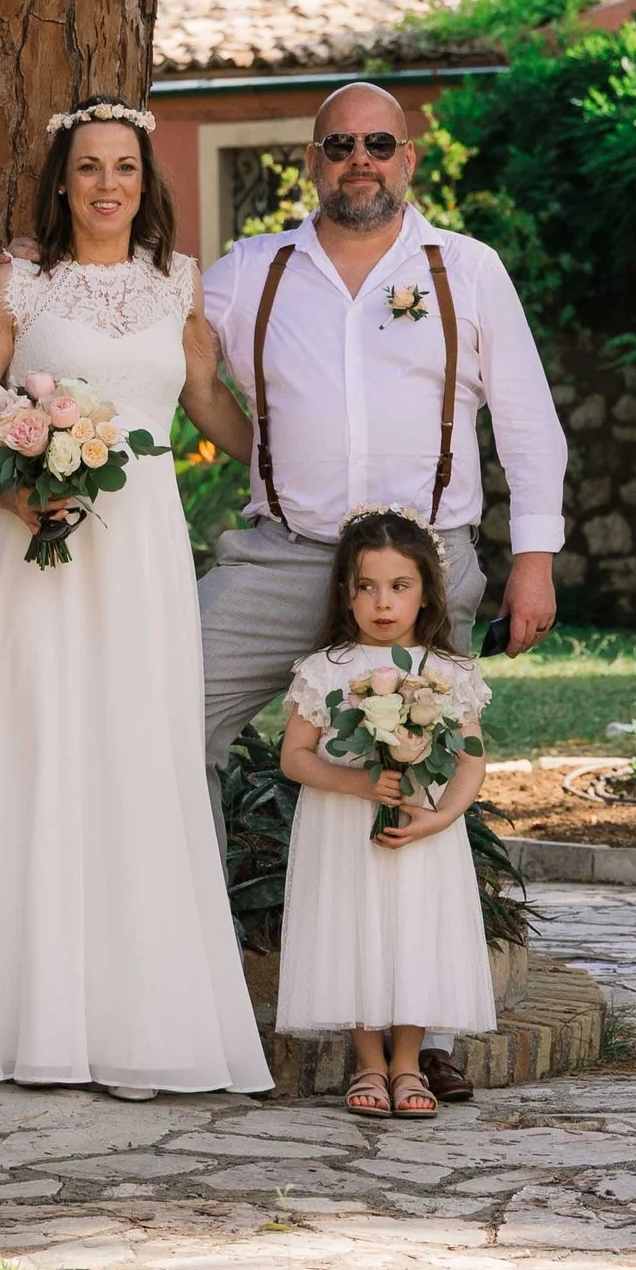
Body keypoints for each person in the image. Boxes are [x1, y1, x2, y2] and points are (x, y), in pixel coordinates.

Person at [201, 77, 567, 1095]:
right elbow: (163, 350)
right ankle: (181, 964)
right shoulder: (248, 272)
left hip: (424, 566)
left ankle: (427, 1025)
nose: (359, 159)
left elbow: (527, 421)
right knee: (167, 709)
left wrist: (532, 556)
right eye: (338, 145)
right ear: (309, 162)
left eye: (379, 143)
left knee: (427, 768)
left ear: (407, 159)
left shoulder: (466, 269)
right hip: (281, 552)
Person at [0, 99, 271, 1098]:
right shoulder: (16, 286)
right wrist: (16, 487)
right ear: (62, 182)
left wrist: (288, 472)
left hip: (143, 541)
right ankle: (31, 1023)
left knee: (136, 756)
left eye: (123, 167)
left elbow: (204, 402)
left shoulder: (178, 285)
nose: (107, 184)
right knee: (38, 756)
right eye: (88, 168)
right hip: (35, 543)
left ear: (144, 184)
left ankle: (138, 1020)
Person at [278, 511, 493, 1119]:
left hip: (421, 830)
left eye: (399, 586)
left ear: (425, 592)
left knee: (414, 932)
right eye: (366, 586)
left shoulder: (448, 673)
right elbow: (294, 757)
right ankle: (368, 1061)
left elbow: (472, 761)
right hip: (344, 827)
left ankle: (408, 1062)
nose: (382, 602)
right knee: (356, 930)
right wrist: (357, 781)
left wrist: (441, 817)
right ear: (345, 592)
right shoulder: (325, 669)